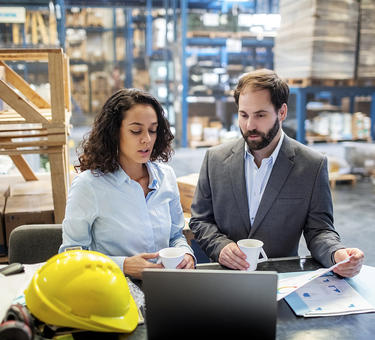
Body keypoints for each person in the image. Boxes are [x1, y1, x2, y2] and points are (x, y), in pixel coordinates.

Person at [189, 69, 364, 278]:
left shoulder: (311, 166)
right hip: (224, 278)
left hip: (281, 280)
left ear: (282, 112)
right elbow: (200, 221)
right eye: (243, 115)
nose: (249, 125)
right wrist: (220, 247)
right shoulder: (215, 159)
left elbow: (319, 230)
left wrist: (336, 254)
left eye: (260, 115)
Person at [59, 88, 195, 279]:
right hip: (114, 289)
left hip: (165, 287)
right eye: (136, 131)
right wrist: (122, 265)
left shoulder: (166, 177)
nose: (147, 139)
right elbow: (70, 256)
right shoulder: (88, 186)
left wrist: (186, 254)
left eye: (153, 130)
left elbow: (175, 236)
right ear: (114, 133)